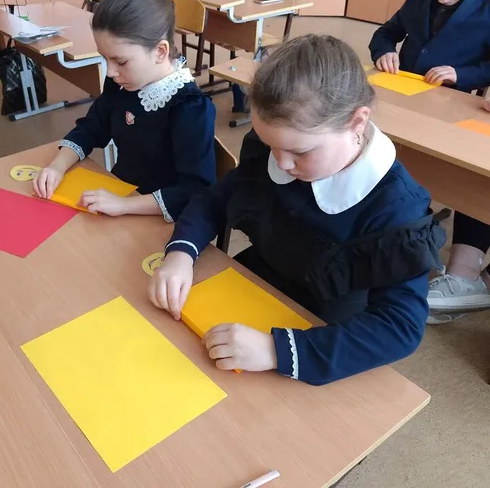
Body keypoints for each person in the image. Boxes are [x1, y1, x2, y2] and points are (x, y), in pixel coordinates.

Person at [148, 35, 446, 385]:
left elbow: (399, 328)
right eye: (271, 145)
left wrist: (275, 351)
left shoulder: (396, 207)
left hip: (321, 331)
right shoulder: (280, 147)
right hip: (250, 287)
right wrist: (181, 253)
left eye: (300, 152)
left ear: (357, 122)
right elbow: (214, 200)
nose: (282, 163)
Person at [33, 0, 216, 222]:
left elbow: (195, 190)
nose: (110, 72)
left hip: (159, 220)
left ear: (160, 51)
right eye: (105, 58)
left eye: (120, 62)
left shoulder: (190, 108)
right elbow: (92, 128)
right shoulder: (123, 84)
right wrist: (57, 165)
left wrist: (124, 205)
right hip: (118, 198)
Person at [370, 0, 490, 322]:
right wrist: (384, 51)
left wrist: (461, 74)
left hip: (456, 107)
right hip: (404, 96)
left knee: (469, 177)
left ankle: (461, 270)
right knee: (384, 153)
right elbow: (386, 33)